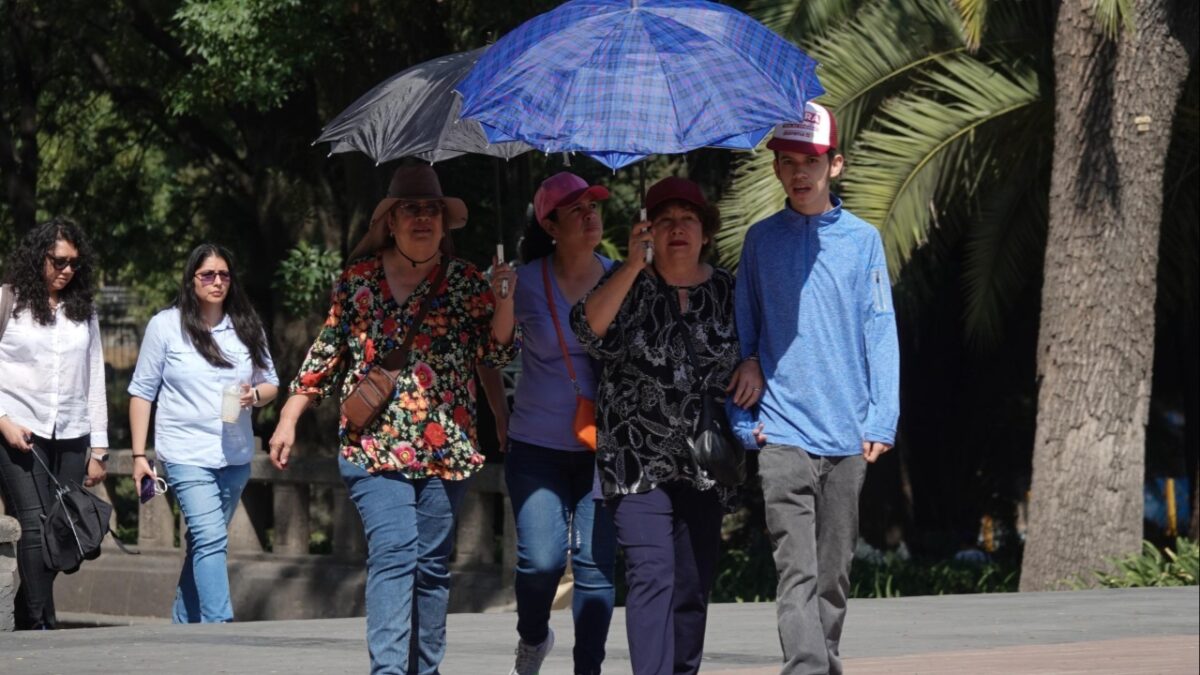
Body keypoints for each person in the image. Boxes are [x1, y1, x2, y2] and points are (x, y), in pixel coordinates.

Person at [268, 165, 517, 675]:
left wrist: (505, 301)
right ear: (392, 221)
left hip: (447, 448)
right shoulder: (359, 282)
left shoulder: (469, 283)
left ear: (445, 223)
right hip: (373, 447)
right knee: (396, 552)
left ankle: (425, 669)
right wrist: (288, 417)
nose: (422, 218)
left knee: (431, 568)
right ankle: (387, 671)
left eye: (431, 210)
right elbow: (327, 353)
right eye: (411, 209)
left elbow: (493, 353)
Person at [733, 102, 900, 675]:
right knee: (796, 570)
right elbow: (743, 332)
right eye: (787, 161)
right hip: (781, 431)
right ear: (776, 168)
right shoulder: (759, 241)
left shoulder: (863, 241)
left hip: (849, 434)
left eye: (811, 160)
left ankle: (823, 661)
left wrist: (883, 417)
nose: (799, 172)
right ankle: (805, 668)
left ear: (836, 165)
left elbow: (881, 328)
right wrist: (741, 420)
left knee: (833, 574)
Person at [570, 177, 750, 675]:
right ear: (647, 230)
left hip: (707, 461)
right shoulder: (628, 285)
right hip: (635, 460)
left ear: (705, 232)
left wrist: (752, 366)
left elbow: (760, 349)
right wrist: (632, 264)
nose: (677, 229)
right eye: (665, 219)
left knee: (691, 588)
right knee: (651, 575)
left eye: (687, 219)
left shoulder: (729, 290)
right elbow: (586, 330)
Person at [503, 172, 618, 675]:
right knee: (541, 562)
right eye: (575, 210)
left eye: (593, 206)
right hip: (536, 444)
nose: (589, 215)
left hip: (603, 446)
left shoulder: (622, 276)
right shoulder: (524, 281)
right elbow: (496, 348)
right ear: (550, 225)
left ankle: (587, 669)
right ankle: (533, 638)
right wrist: (502, 297)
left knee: (595, 571)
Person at [127, 243, 279, 623]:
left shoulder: (246, 325)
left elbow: (272, 382)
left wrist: (254, 395)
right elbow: (142, 392)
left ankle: (182, 627)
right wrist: (138, 456)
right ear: (191, 279)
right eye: (207, 274)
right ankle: (221, 627)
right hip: (184, 453)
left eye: (224, 275)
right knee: (212, 538)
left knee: (202, 543)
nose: (217, 281)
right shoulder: (165, 326)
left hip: (234, 457)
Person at [0, 217, 108, 630]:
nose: (66, 270)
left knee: (63, 527)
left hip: (71, 431)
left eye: (74, 264)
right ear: (37, 257)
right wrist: (3, 420)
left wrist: (98, 448)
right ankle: (41, 621)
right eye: (58, 261)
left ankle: (32, 605)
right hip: (17, 430)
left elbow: (94, 375)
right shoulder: (9, 302)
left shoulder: (85, 311)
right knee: (34, 521)